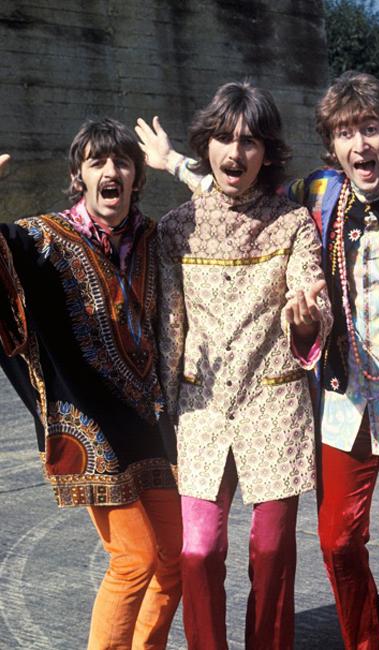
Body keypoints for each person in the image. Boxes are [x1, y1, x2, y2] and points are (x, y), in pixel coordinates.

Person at [137, 71, 379, 650]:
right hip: (268, 403)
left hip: (358, 400)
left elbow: (311, 294)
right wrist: (173, 163)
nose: (360, 144)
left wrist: (305, 319)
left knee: (371, 545)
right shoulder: (295, 201)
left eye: (371, 129)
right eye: (346, 133)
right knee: (235, 547)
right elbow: (174, 314)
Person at [150, 81, 332, 650]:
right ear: (206, 145)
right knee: (198, 550)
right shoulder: (176, 228)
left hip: (273, 404)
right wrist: (162, 410)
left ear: (267, 152)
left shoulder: (293, 223)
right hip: (201, 410)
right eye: (224, 139)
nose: (235, 152)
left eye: (249, 141)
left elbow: (312, 293)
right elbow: (170, 327)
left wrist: (307, 319)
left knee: (272, 549)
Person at [0, 120, 181, 649]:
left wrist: (178, 164)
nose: (111, 171)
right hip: (89, 427)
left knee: (176, 557)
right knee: (134, 559)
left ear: (136, 177)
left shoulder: (153, 239)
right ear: (79, 176)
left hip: (149, 423)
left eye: (121, 161)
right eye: (97, 161)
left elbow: (231, 204)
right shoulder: (42, 240)